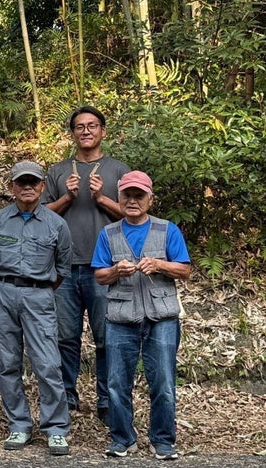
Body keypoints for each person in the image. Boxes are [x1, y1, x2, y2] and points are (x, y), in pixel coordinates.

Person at [92, 171, 190, 460]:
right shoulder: (108, 233)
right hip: (120, 317)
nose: (133, 201)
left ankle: (163, 440)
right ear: (119, 197)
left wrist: (159, 264)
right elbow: (99, 276)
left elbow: (184, 270)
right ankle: (122, 439)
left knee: (163, 381)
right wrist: (114, 271)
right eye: (127, 195)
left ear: (150, 199)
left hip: (162, 317)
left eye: (139, 195)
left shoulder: (167, 230)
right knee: (116, 382)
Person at [0, 160, 73, 456]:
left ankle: (56, 429)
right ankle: (19, 425)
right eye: (21, 182)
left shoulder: (56, 224)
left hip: (40, 296)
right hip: (3, 294)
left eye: (33, 182)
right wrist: (10, 284)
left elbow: (62, 268)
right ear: (11, 187)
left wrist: (39, 289)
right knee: (7, 364)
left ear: (43, 187)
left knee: (47, 363)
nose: (28, 187)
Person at [43, 106, 129, 420]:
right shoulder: (58, 171)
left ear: (103, 131)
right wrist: (67, 197)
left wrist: (102, 199)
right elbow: (39, 217)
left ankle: (107, 401)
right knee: (65, 336)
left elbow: (134, 215)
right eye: (80, 127)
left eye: (93, 126)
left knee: (107, 337)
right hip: (65, 268)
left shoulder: (119, 171)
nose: (86, 131)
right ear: (73, 133)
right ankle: (67, 396)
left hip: (105, 268)